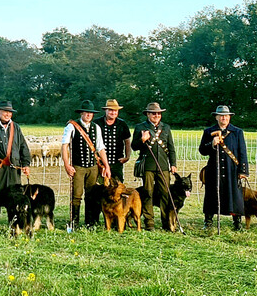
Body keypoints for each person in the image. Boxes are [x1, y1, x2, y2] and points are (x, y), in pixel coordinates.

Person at [0, 100, 32, 230]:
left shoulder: (16, 127)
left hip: (14, 168)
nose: (7, 114)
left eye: (9, 112)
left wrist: (26, 163)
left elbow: (23, 146)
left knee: (15, 197)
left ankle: (14, 225)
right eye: (5, 111)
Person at [61, 100, 110, 231]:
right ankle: (74, 223)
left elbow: (100, 148)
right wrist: (67, 165)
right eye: (86, 112)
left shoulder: (96, 127)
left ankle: (90, 222)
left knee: (91, 195)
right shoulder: (71, 127)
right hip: (78, 166)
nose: (88, 115)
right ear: (81, 113)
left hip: (93, 167)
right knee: (76, 196)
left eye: (91, 113)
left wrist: (107, 166)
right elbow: (64, 146)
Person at [199, 105, 249, 231]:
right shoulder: (208, 132)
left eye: (226, 116)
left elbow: (242, 152)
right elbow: (202, 150)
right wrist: (212, 144)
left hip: (231, 169)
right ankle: (208, 221)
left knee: (235, 195)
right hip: (214, 169)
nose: (224, 118)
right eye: (221, 116)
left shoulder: (237, 132)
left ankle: (237, 222)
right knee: (211, 195)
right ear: (216, 117)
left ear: (229, 117)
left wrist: (243, 170)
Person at [130, 102, 177, 231]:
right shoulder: (140, 127)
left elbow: (171, 148)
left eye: (158, 113)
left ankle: (166, 222)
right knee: (148, 193)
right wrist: (142, 140)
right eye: (153, 113)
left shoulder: (165, 128)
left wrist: (173, 164)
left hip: (163, 166)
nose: (156, 115)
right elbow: (134, 147)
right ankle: (149, 222)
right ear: (148, 114)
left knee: (165, 193)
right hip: (148, 166)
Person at [90, 98, 131, 226]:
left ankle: (116, 221)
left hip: (117, 162)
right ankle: (95, 220)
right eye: (111, 110)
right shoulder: (96, 123)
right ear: (106, 110)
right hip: (99, 164)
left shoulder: (122, 124)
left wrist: (127, 155)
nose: (113, 113)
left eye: (115, 111)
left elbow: (127, 141)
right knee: (99, 191)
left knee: (118, 191)